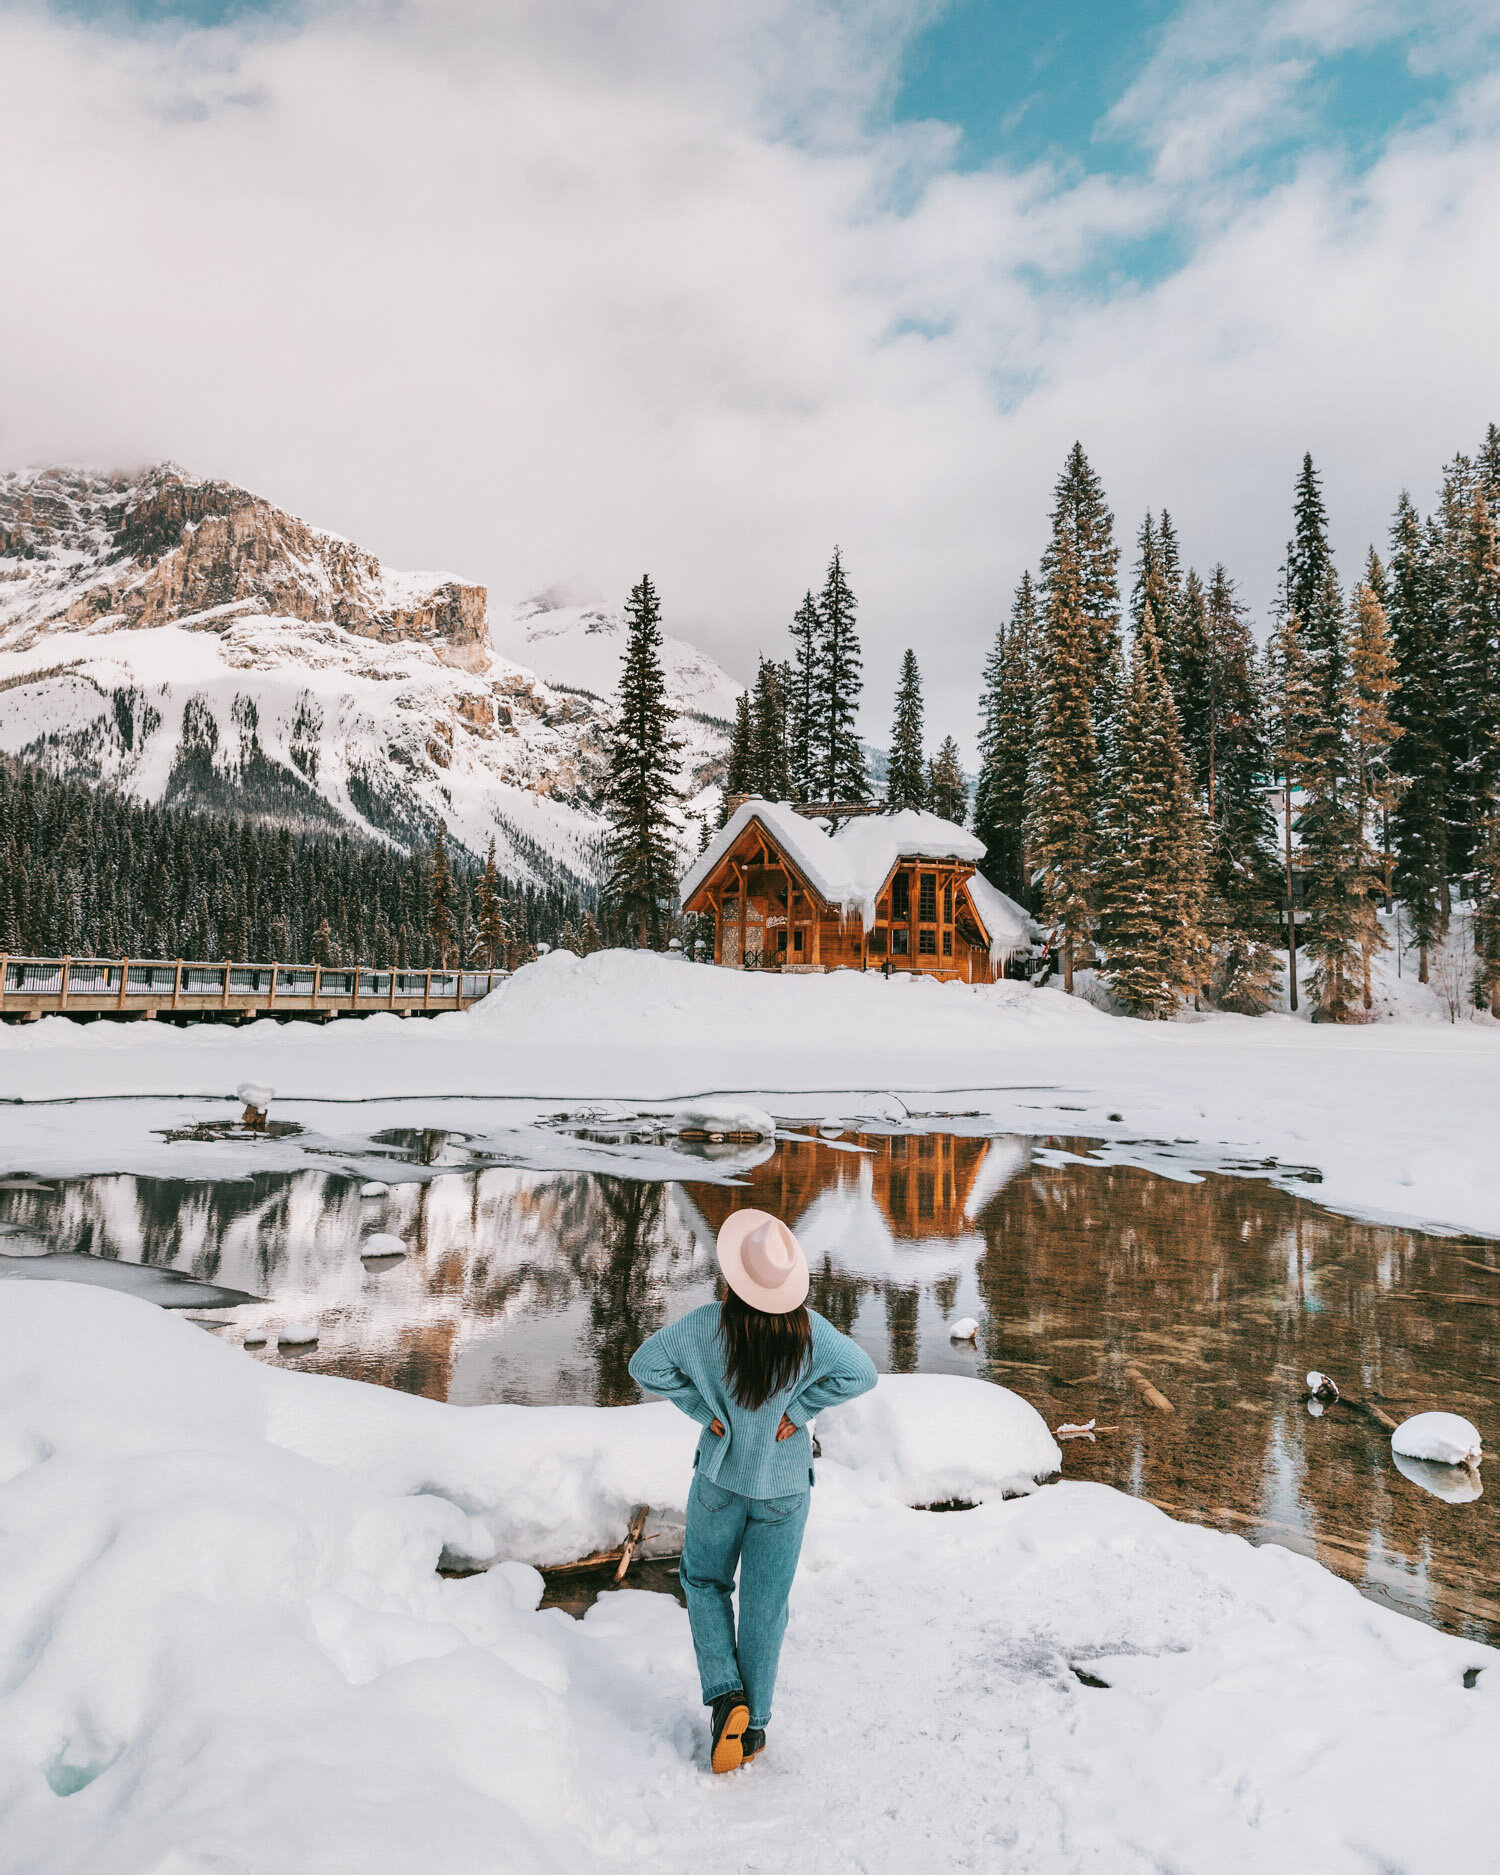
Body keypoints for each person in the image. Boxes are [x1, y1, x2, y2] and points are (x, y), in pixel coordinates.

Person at [628, 1209, 877, 1774]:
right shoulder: (810, 1331)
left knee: (703, 1581)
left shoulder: (708, 1324)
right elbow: (863, 1374)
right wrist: (802, 1407)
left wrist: (703, 1409)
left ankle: (726, 1699)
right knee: (765, 1606)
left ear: (736, 1275)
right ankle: (754, 1727)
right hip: (784, 1490)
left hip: (720, 1480)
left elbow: (644, 1364)